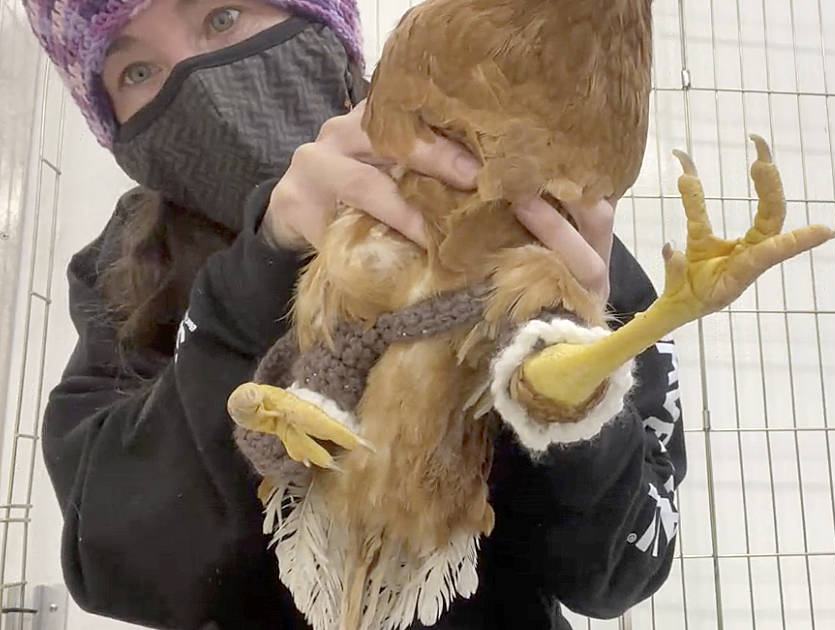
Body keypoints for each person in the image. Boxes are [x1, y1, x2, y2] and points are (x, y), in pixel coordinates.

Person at [27, 0, 687, 627]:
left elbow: (625, 568)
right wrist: (256, 278)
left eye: (222, 16)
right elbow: (113, 557)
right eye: (136, 71)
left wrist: (572, 375)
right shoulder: (123, 266)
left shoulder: (540, 222)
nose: (194, 79)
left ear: (319, 23)